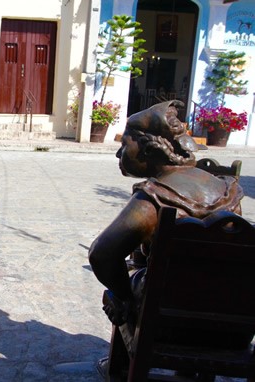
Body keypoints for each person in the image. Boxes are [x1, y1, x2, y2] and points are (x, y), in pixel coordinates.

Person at [89, 100, 249, 376]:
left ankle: (120, 369)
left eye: (125, 145)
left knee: (127, 288)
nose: (119, 153)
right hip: (230, 326)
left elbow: (101, 255)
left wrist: (124, 295)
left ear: (150, 149)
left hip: (166, 325)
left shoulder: (154, 200)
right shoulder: (227, 190)